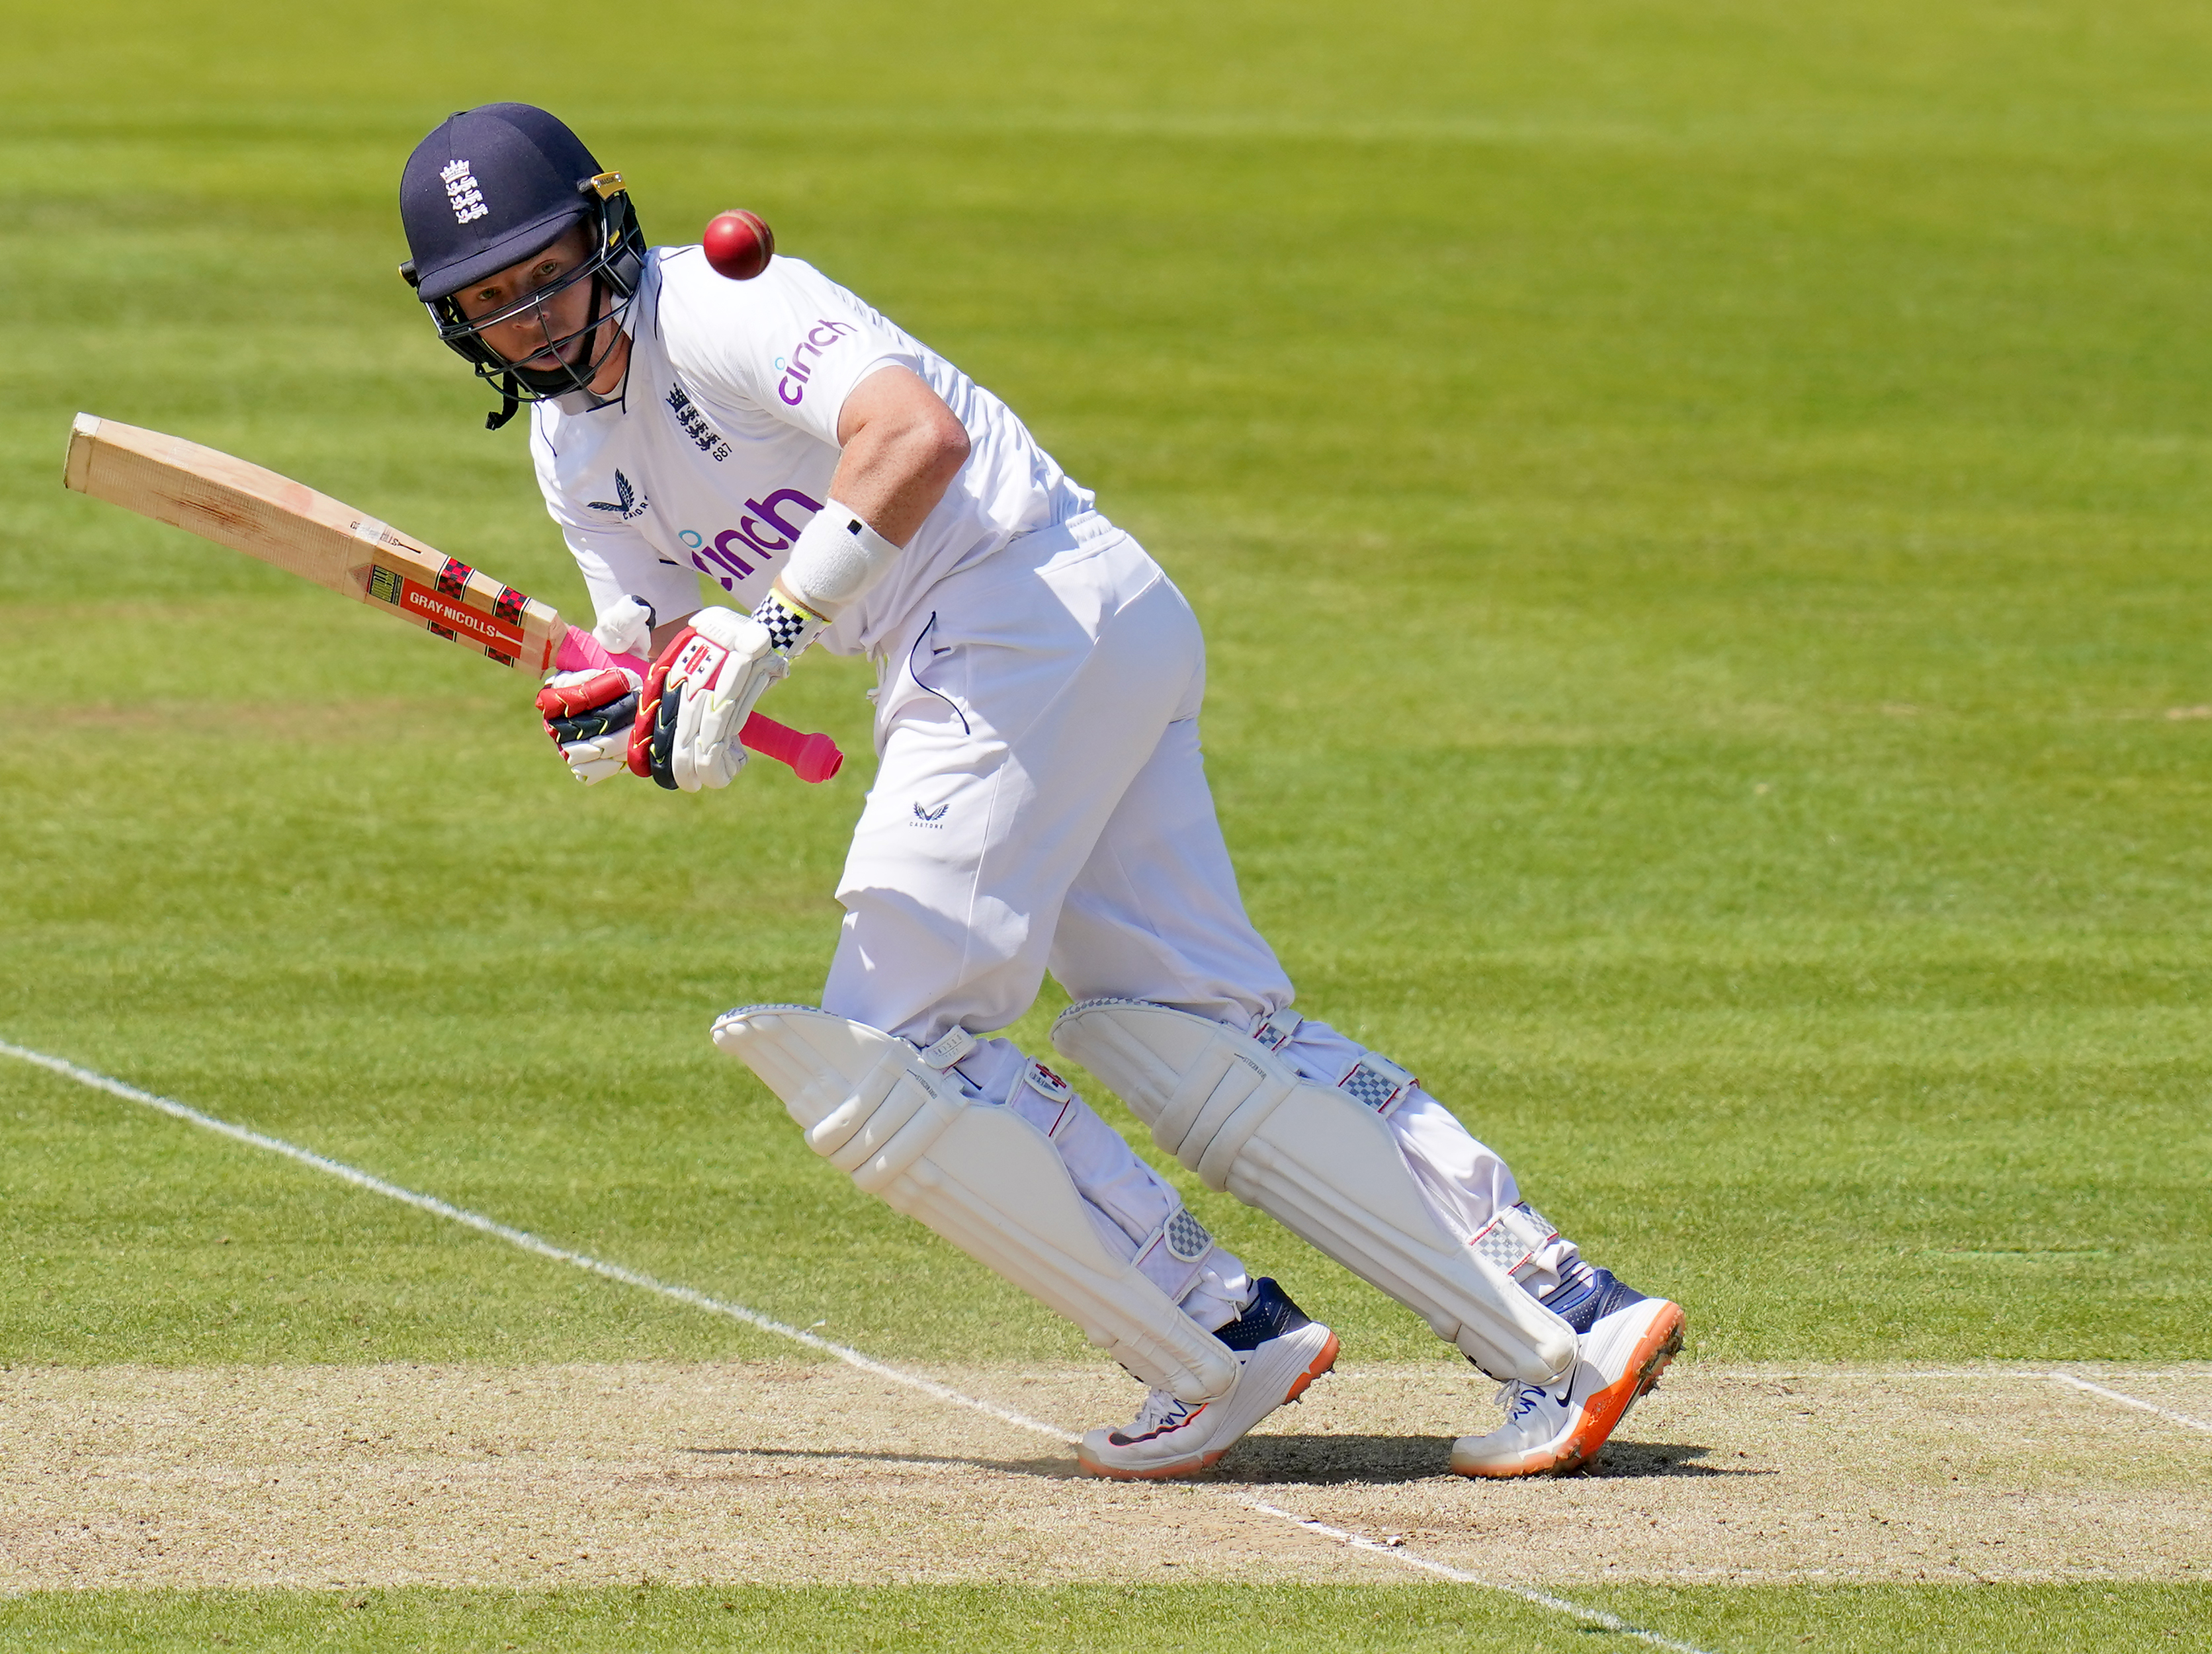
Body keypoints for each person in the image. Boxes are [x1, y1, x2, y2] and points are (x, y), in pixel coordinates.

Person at [394, 102, 1683, 1479]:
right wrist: (619, 708)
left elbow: (912, 438)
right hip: (1052, 633)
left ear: (606, 233)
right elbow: (649, 642)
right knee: (1185, 1027)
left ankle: (1212, 1329)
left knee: (885, 1043)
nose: (531, 319)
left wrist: (763, 634)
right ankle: (1566, 1315)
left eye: (546, 273)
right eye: (491, 298)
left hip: (1011, 613)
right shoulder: (569, 452)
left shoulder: (719, 304)